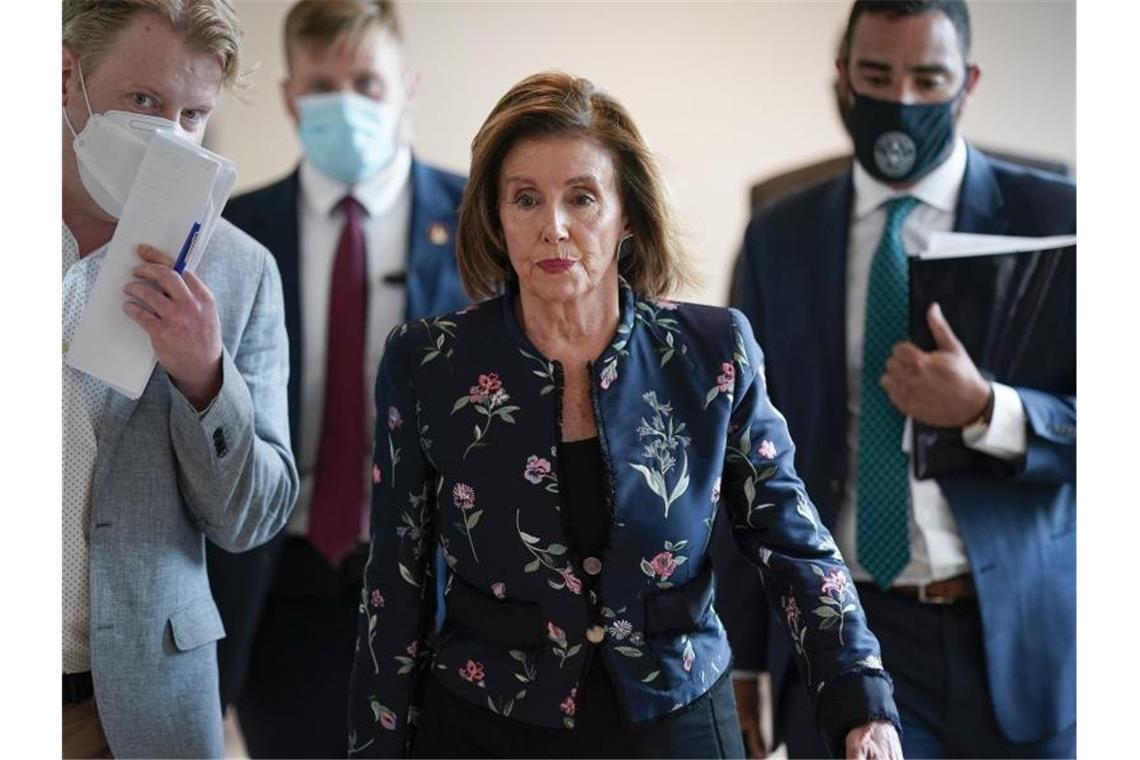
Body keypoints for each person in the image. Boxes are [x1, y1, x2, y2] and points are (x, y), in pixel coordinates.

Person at [346, 70, 902, 760]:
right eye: (526, 199)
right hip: (487, 726)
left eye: (582, 197)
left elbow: (792, 541)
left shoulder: (711, 353)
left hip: (678, 719)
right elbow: (393, 587)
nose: (554, 227)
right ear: (495, 215)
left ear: (627, 215)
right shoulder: (430, 364)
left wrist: (862, 705)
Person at [720, 1, 1076, 757]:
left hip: (1016, 639)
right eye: (878, 75)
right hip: (841, 638)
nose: (903, 100)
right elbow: (738, 452)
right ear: (843, 77)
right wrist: (743, 657)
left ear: (967, 82)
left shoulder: (1057, 214)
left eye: (928, 78)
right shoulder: (778, 233)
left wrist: (989, 409)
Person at [208, 2, 469, 756]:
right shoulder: (231, 228)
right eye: (324, 85)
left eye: (368, 82)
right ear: (290, 96)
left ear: (407, 87)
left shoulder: (479, 221)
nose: (347, 104)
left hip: (438, 591)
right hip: (278, 585)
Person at [61, 1, 298, 757]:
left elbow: (255, 516)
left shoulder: (240, 270)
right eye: (144, 102)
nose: (170, 135)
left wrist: (206, 380)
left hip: (133, 704)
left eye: (193, 114)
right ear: (66, 76)